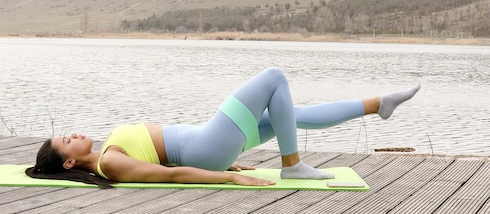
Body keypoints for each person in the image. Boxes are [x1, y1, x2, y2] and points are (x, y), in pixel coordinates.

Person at [26, 67, 420, 188]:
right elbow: (170, 174)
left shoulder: (106, 152)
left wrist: (226, 166)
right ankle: (292, 163)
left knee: (290, 112)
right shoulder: (109, 164)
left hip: (210, 146)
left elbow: (165, 156)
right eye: (67, 140)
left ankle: (377, 105)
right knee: (273, 78)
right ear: (68, 163)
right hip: (206, 148)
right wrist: (227, 180)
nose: (74, 133)